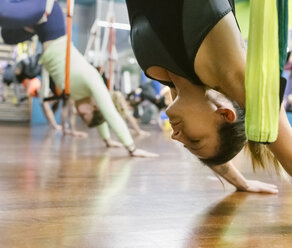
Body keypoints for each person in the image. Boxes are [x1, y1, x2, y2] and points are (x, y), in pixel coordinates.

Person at [125, 0, 292, 178]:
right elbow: (288, 153)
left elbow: (211, 154)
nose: (176, 137)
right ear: (225, 114)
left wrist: (240, 183)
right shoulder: (227, 71)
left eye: (186, 144)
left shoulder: (173, 81)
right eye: (194, 140)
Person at [0, 0, 157, 157]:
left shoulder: (79, 95)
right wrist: (131, 148)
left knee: (8, 36)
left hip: (43, 32)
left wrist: (107, 141)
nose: (78, 114)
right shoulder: (93, 81)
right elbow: (110, 113)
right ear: (94, 106)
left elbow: (100, 121)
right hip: (52, 22)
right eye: (84, 116)